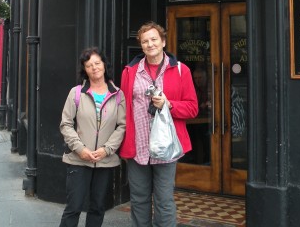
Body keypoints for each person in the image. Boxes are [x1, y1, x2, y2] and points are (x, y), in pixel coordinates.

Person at [120, 21, 198, 227]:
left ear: (163, 42)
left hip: (166, 148)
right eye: (145, 41)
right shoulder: (130, 71)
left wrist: (169, 104)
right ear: (141, 46)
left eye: (154, 39)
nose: (150, 44)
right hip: (137, 147)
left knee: (164, 201)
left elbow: (192, 108)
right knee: (139, 200)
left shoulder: (182, 70)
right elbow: (123, 109)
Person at [59, 47, 126, 227]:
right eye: (89, 65)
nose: (94, 68)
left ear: (104, 65)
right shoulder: (76, 93)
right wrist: (80, 149)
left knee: (97, 207)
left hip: (104, 160)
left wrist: (107, 149)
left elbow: (122, 125)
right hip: (79, 160)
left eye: (97, 63)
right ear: (84, 69)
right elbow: (66, 124)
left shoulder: (118, 94)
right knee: (74, 207)